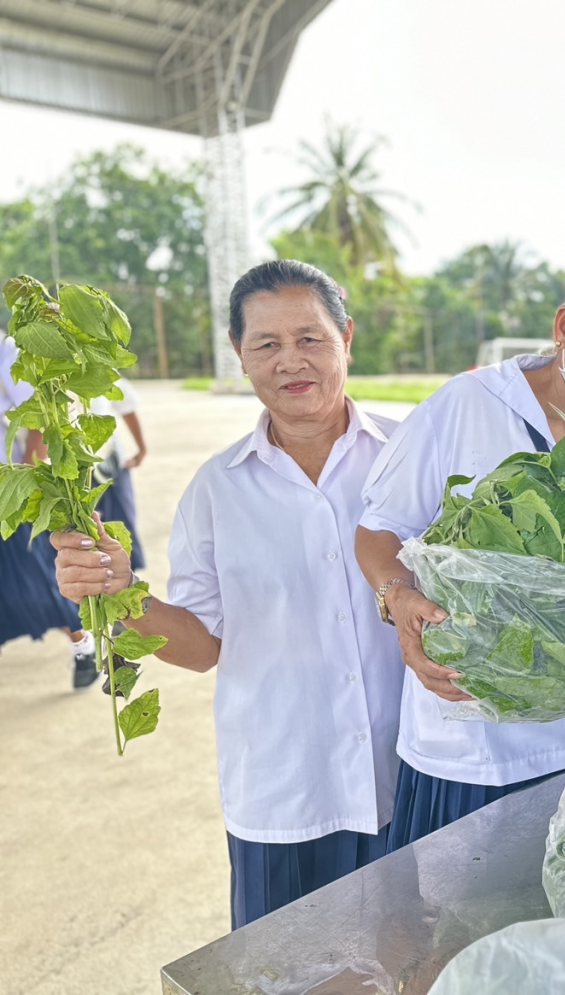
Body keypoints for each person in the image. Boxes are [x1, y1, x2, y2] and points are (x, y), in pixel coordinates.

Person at [51, 260, 404, 929]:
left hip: (410, 779)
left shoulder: (413, 456)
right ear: (239, 357)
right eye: (266, 344)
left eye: (310, 338)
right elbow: (200, 646)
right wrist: (121, 593)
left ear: (347, 337)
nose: (291, 360)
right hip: (287, 797)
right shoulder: (215, 491)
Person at [355, 249, 565, 851]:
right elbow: (377, 529)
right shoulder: (467, 404)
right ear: (564, 326)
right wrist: (396, 597)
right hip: (472, 746)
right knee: (451, 929)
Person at [0, 330, 97, 688]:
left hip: (6, 495)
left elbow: (42, 418)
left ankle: (83, 645)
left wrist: (27, 481)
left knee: (37, 581)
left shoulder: (5, 352)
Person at [92, 375, 148, 572]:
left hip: (111, 464)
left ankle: (127, 583)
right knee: (83, 533)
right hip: (72, 470)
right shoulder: (48, 375)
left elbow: (126, 406)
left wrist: (141, 449)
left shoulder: (101, 369)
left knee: (122, 525)